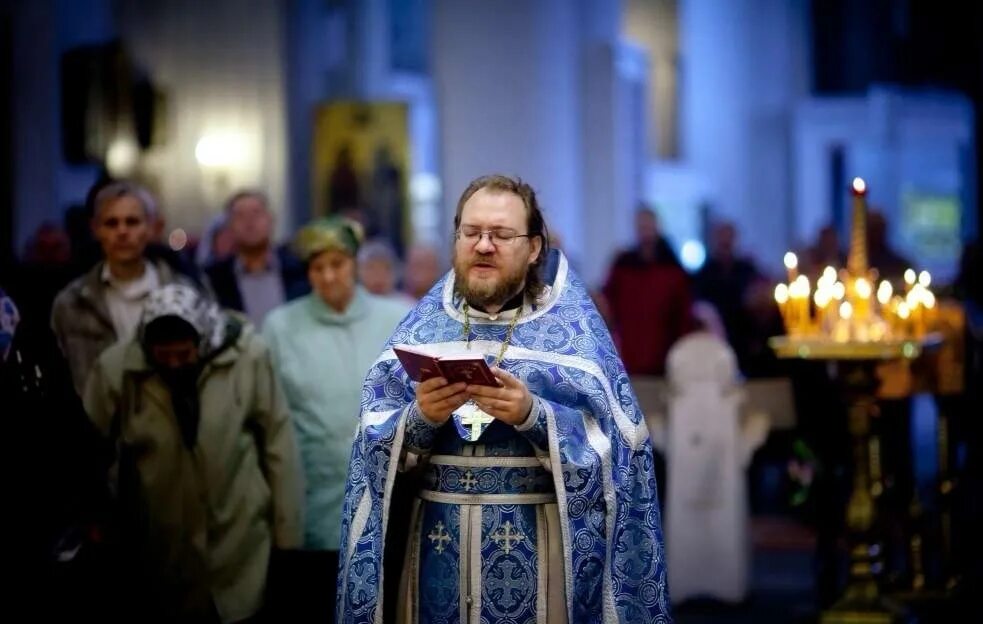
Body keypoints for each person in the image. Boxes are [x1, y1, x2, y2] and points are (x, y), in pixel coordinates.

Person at [336, 175, 670, 623]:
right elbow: (368, 451)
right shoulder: (420, 330)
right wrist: (419, 420)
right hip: (435, 554)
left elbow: (623, 456)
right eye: (471, 233)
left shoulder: (576, 337)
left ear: (534, 248)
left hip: (540, 552)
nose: (484, 245)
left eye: (501, 234)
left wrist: (536, 417)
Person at [83, 284, 304, 623]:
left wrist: (287, 540)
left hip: (239, 541)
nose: (173, 365)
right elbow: (88, 449)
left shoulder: (246, 357)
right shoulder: (118, 369)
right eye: (163, 356)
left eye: (183, 355)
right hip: (160, 549)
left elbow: (278, 443)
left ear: (201, 341)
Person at [262, 217, 412, 620]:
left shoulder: (396, 317)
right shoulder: (280, 327)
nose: (328, 276)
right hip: (314, 500)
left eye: (338, 264)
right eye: (317, 267)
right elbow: (272, 416)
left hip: (387, 498)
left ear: (355, 264)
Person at [51, 181, 200, 396]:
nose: (122, 231)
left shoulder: (185, 295)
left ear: (151, 228)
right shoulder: (72, 303)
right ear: (96, 229)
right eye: (111, 223)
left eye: (132, 222)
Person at [601, 204, 694, 375]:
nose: (646, 231)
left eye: (649, 226)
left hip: (664, 356)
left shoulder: (673, 269)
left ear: (657, 227)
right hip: (630, 355)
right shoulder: (623, 267)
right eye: (641, 226)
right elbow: (608, 305)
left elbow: (683, 315)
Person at [204, 190, 309, 328]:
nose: (249, 222)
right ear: (229, 226)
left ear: (271, 220)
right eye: (240, 216)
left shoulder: (300, 269)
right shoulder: (214, 278)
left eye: (256, 213)